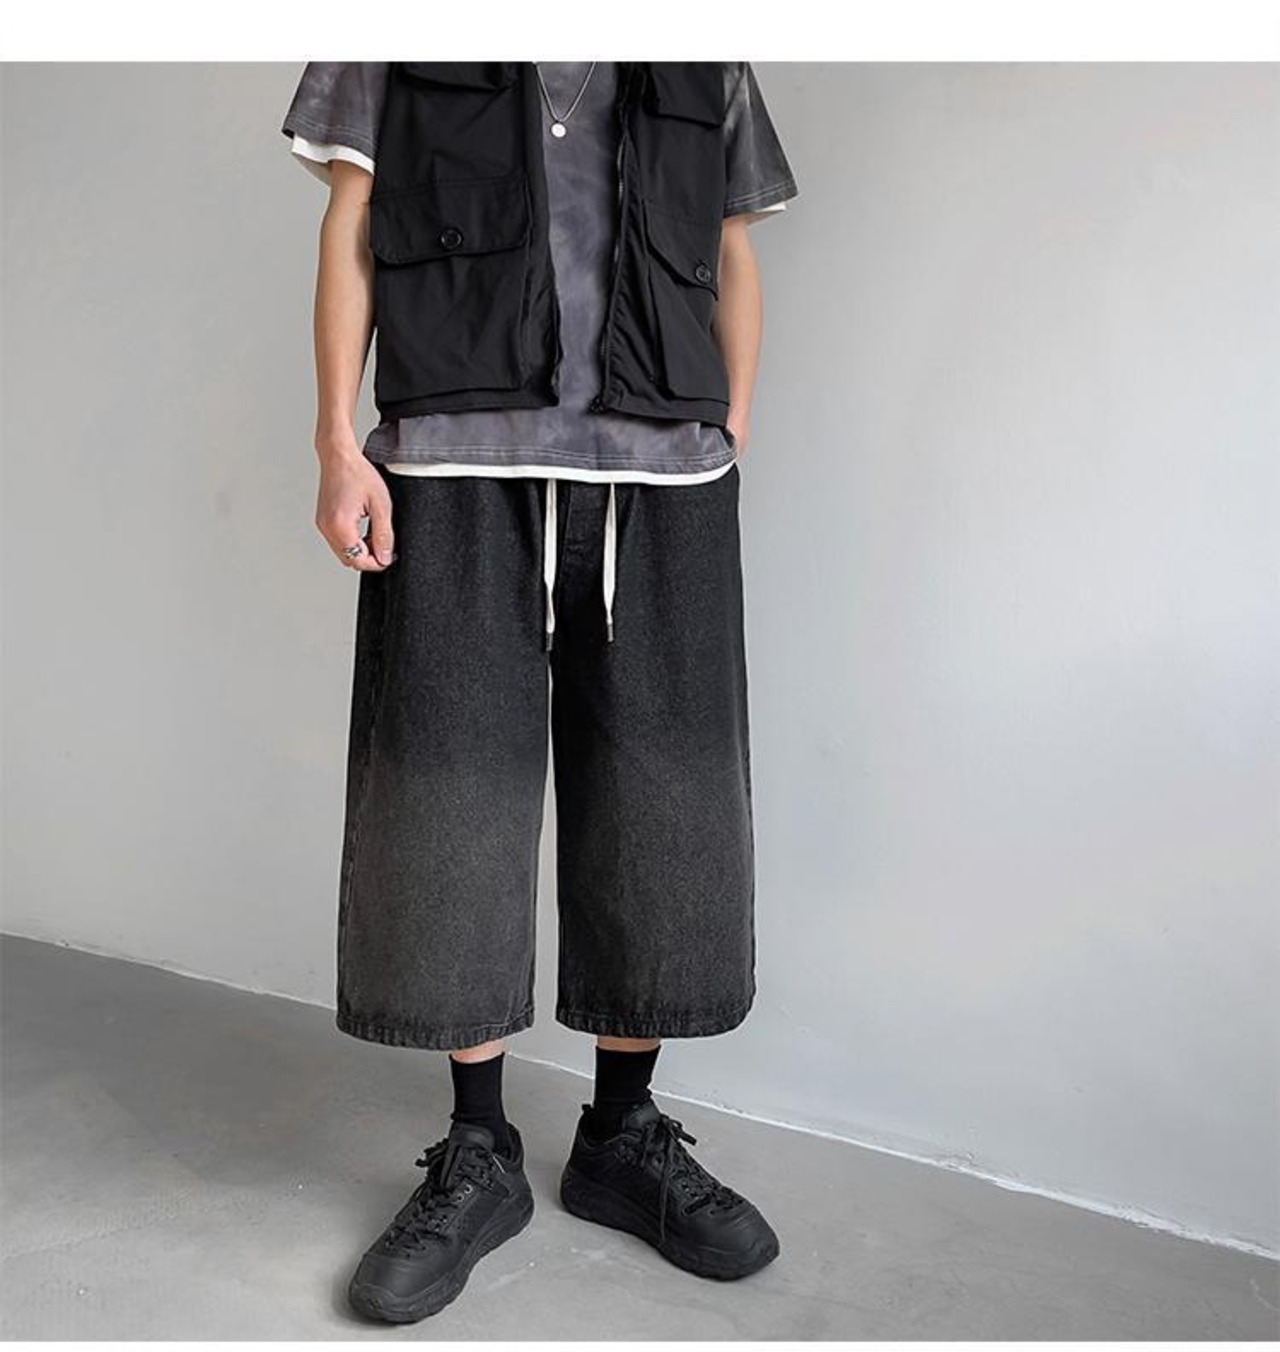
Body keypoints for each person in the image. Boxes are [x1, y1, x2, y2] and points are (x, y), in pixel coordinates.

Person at [280, 60, 798, 1323]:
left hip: (664, 476)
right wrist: (337, 440)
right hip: (451, 465)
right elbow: (351, 218)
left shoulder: (701, 50)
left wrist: (726, 430)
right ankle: (477, 1149)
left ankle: (622, 1133)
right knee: (445, 811)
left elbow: (730, 242)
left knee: (666, 810)